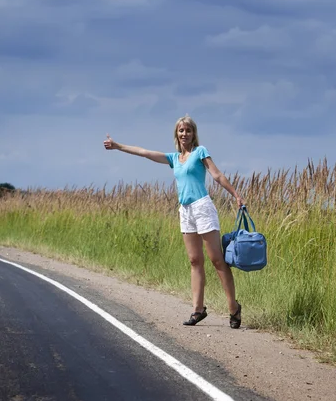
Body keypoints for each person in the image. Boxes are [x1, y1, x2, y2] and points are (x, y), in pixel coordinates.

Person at [104, 115, 244, 328]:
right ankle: (198, 309)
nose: (184, 134)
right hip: (185, 210)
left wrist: (236, 195)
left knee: (217, 260)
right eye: (181, 130)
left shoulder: (200, 152)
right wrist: (117, 146)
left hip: (202, 207)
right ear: (176, 134)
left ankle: (233, 308)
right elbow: (145, 153)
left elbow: (216, 175)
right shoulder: (173, 158)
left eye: (188, 130)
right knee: (195, 261)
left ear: (193, 133)